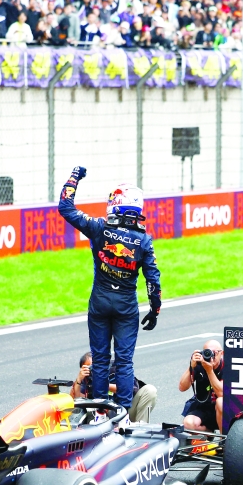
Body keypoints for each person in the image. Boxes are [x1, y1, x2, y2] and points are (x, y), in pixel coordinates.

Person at [58, 166, 161, 416]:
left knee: (101, 360)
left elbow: (65, 207)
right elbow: (153, 279)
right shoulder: (144, 240)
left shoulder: (99, 228)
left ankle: (99, 412)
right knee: (124, 361)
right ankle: (123, 413)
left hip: (100, 303)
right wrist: (154, 309)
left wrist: (75, 177)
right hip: (126, 307)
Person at [71, 351, 157, 424]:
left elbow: (130, 389)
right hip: (102, 418)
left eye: (96, 366)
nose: (94, 370)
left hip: (126, 410)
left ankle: (140, 430)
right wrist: (78, 381)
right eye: (90, 367)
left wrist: (103, 385)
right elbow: (79, 402)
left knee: (150, 390)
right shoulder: (86, 378)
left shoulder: (117, 368)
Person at [179, 340, 224, 432]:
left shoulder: (228, 366)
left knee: (220, 402)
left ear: (222, 353)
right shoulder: (200, 364)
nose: (212, 356)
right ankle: (208, 433)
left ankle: (223, 440)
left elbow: (221, 393)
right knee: (188, 424)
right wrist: (191, 366)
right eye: (208, 352)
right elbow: (182, 387)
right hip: (204, 407)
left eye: (215, 352)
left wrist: (209, 371)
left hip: (223, 411)